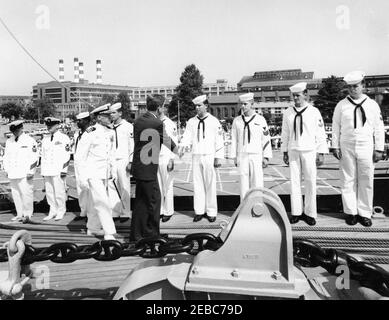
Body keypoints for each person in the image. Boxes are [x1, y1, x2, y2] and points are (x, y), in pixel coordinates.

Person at [332, 71, 385, 227]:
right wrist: (334, 145)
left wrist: (379, 148)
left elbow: (379, 127)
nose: (352, 89)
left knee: (366, 180)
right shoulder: (341, 105)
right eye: (350, 87)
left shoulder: (372, 104)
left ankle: (365, 213)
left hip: (366, 145)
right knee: (347, 180)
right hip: (346, 144)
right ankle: (351, 212)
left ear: (363, 86)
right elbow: (336, 126)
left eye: (355, 86)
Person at [130, 95, 178, 241]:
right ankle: (152, 234)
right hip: (148, 168)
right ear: (159, 108)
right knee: (154, 201)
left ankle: (138, 234)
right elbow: (166, 140)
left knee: (141, 202)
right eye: (163, 106)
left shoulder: (138, 121)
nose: (163, 109)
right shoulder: (157, 123)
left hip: (140, 166)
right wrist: (178, 151)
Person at [281, 82, 328, 226]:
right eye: (293, 96)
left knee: (310, 182)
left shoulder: (314, 112)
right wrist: (284, 151)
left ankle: (310, 213)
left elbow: (320, 133)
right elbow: (285, 133)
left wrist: (321, 152)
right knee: (294, 183)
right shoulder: (288, 112)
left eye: (298, 95)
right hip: (293, 150)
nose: (295, 98)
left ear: (306, 95)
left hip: (309, 151)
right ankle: (296, 212)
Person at [179, 94, 224, 223]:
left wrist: (218, 157)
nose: (197, 108)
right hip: (196, 155)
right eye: (196, 106)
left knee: (210, 184)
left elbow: (219, 140)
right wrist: (182, 147)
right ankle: (199, 211)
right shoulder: (191, 121)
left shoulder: (214, 121)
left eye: (199, 105)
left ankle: (211, 212)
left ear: (206, 106)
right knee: (198, 184)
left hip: (209, 155)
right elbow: (186, 136)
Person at [76, 104, 117, 240]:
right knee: (103, 202)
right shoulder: (90, 132)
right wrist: (82, 179)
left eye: (110, 115)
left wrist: (113, 171)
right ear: (99, 117)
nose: (110, 117)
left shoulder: (110, 132)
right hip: (92, 173)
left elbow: (111, 154)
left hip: (104, 173)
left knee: (95, 203)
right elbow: (79, 157)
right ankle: (109, 232)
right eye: (107, 116)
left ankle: (92, 228)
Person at [230, 92, 272, 201]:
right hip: (242, 154)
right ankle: (244, 208)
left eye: (245, 104)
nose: (242, 107)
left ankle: (258, 206)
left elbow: (266, 139)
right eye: (242, 104)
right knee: (243, 182)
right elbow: (234, 139)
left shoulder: (260, 119)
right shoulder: (237, 121)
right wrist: (234, 156)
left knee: (257, 182)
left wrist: (266, 156)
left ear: (252, 104)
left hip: (256, 155)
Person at [3, 120, 38, 223]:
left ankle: (27, 214)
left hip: (25, 173)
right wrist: (7, 169)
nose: (15, 132)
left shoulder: (29, 140)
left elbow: (34, 157)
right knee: (16, 195)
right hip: (13, 173)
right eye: (13, 130)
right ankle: (19, 214)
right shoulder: (9, 141)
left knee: (26, 194)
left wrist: (31, 171)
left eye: (17, 130)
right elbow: (6, 157)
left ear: (21, 128)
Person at [40, 117, 71, 221]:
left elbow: (67, 155)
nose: (49, 127)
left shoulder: (64, 138)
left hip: (58, 169)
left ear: (57, 125)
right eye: (48, 125)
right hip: (48, 170)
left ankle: (61, 211)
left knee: (59, 192)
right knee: (49, 192)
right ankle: (52, 211)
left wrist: (64, 170)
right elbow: (43, 156)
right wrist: (43, 171)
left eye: (51, 125)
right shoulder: (45, 139)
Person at [108, 102, 134, 222]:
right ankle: (115, 211)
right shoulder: (109, 128)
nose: (111, 115)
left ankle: (125, 212)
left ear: (120, 113)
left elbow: (132, 145)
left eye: (114, 113)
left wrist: (131, 161)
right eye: (110, 113)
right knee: (112, 186)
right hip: (112, 160)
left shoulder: (128, 126)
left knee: (124, 186)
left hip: (123, 159)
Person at [157, 100, 178, 223]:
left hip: (166, 156)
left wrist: (172, 159)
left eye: (160, 107)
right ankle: (159, 210)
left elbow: (174, 142)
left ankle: (168, 211)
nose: (159, 109)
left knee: (168, 186)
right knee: (158, 186)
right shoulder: (153, 123)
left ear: (163, 108)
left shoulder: (169, 124)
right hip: (155, 157)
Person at [73, 112, 92, 221]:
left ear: (86, 121)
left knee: (89, 189)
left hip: (87, 165)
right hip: (78, 165)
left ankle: (91, 213)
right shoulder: (77, 134)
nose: (77, 123)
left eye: (79, 120)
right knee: (80, 189)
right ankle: (83, 211)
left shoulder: (91, 133)